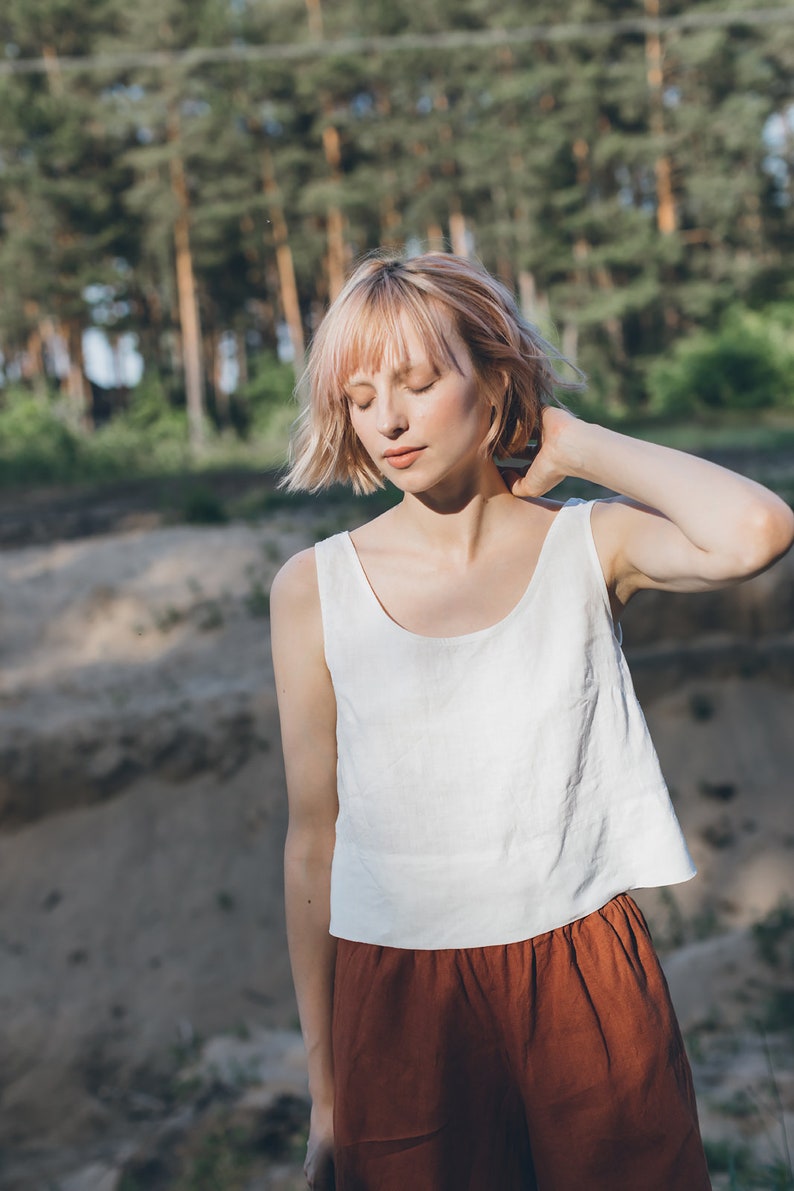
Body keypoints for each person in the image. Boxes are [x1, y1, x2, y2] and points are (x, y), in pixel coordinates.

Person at [270, 252, 794, 1191]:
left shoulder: (589, 542)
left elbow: (755, 530)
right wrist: (326, 1095)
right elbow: (315, 841)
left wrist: (576, 442)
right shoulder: (314, 589)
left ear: (495, 379)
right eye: (357, 397)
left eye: (419, 382)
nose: (387, 418)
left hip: (584, 974)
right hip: (398, 997)